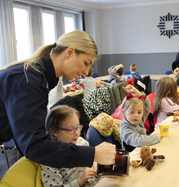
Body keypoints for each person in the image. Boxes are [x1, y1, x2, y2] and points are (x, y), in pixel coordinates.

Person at [0, 30, 116, 169]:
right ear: (70, 53)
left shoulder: (41, 78)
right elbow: (34, 146)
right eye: (86, 63)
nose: (86, 72)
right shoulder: (28, 80)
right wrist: (92, 154)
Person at [41, 105, 99, 187]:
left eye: (77, 127)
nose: (76, 133)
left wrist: (96, 165)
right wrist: (79, 181)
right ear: (55, 131)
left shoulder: (82, 143)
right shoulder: (49, 159)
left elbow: (93, 164)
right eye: (71, 129)